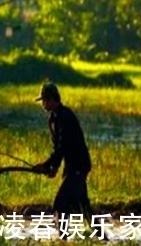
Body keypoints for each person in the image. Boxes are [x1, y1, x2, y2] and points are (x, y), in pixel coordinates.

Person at [32, 82, 94, 237]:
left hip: (78, 165)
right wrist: (53, 167)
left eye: (45, 100)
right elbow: (57, 148)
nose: (43, 104)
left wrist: (46, 164)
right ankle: (103, 239)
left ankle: (63, 238)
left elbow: (64, 146)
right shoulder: (52, 120)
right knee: (84, 207)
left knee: (60, 204)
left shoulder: (66, 116)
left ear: (53, 99)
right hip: (71, 166)